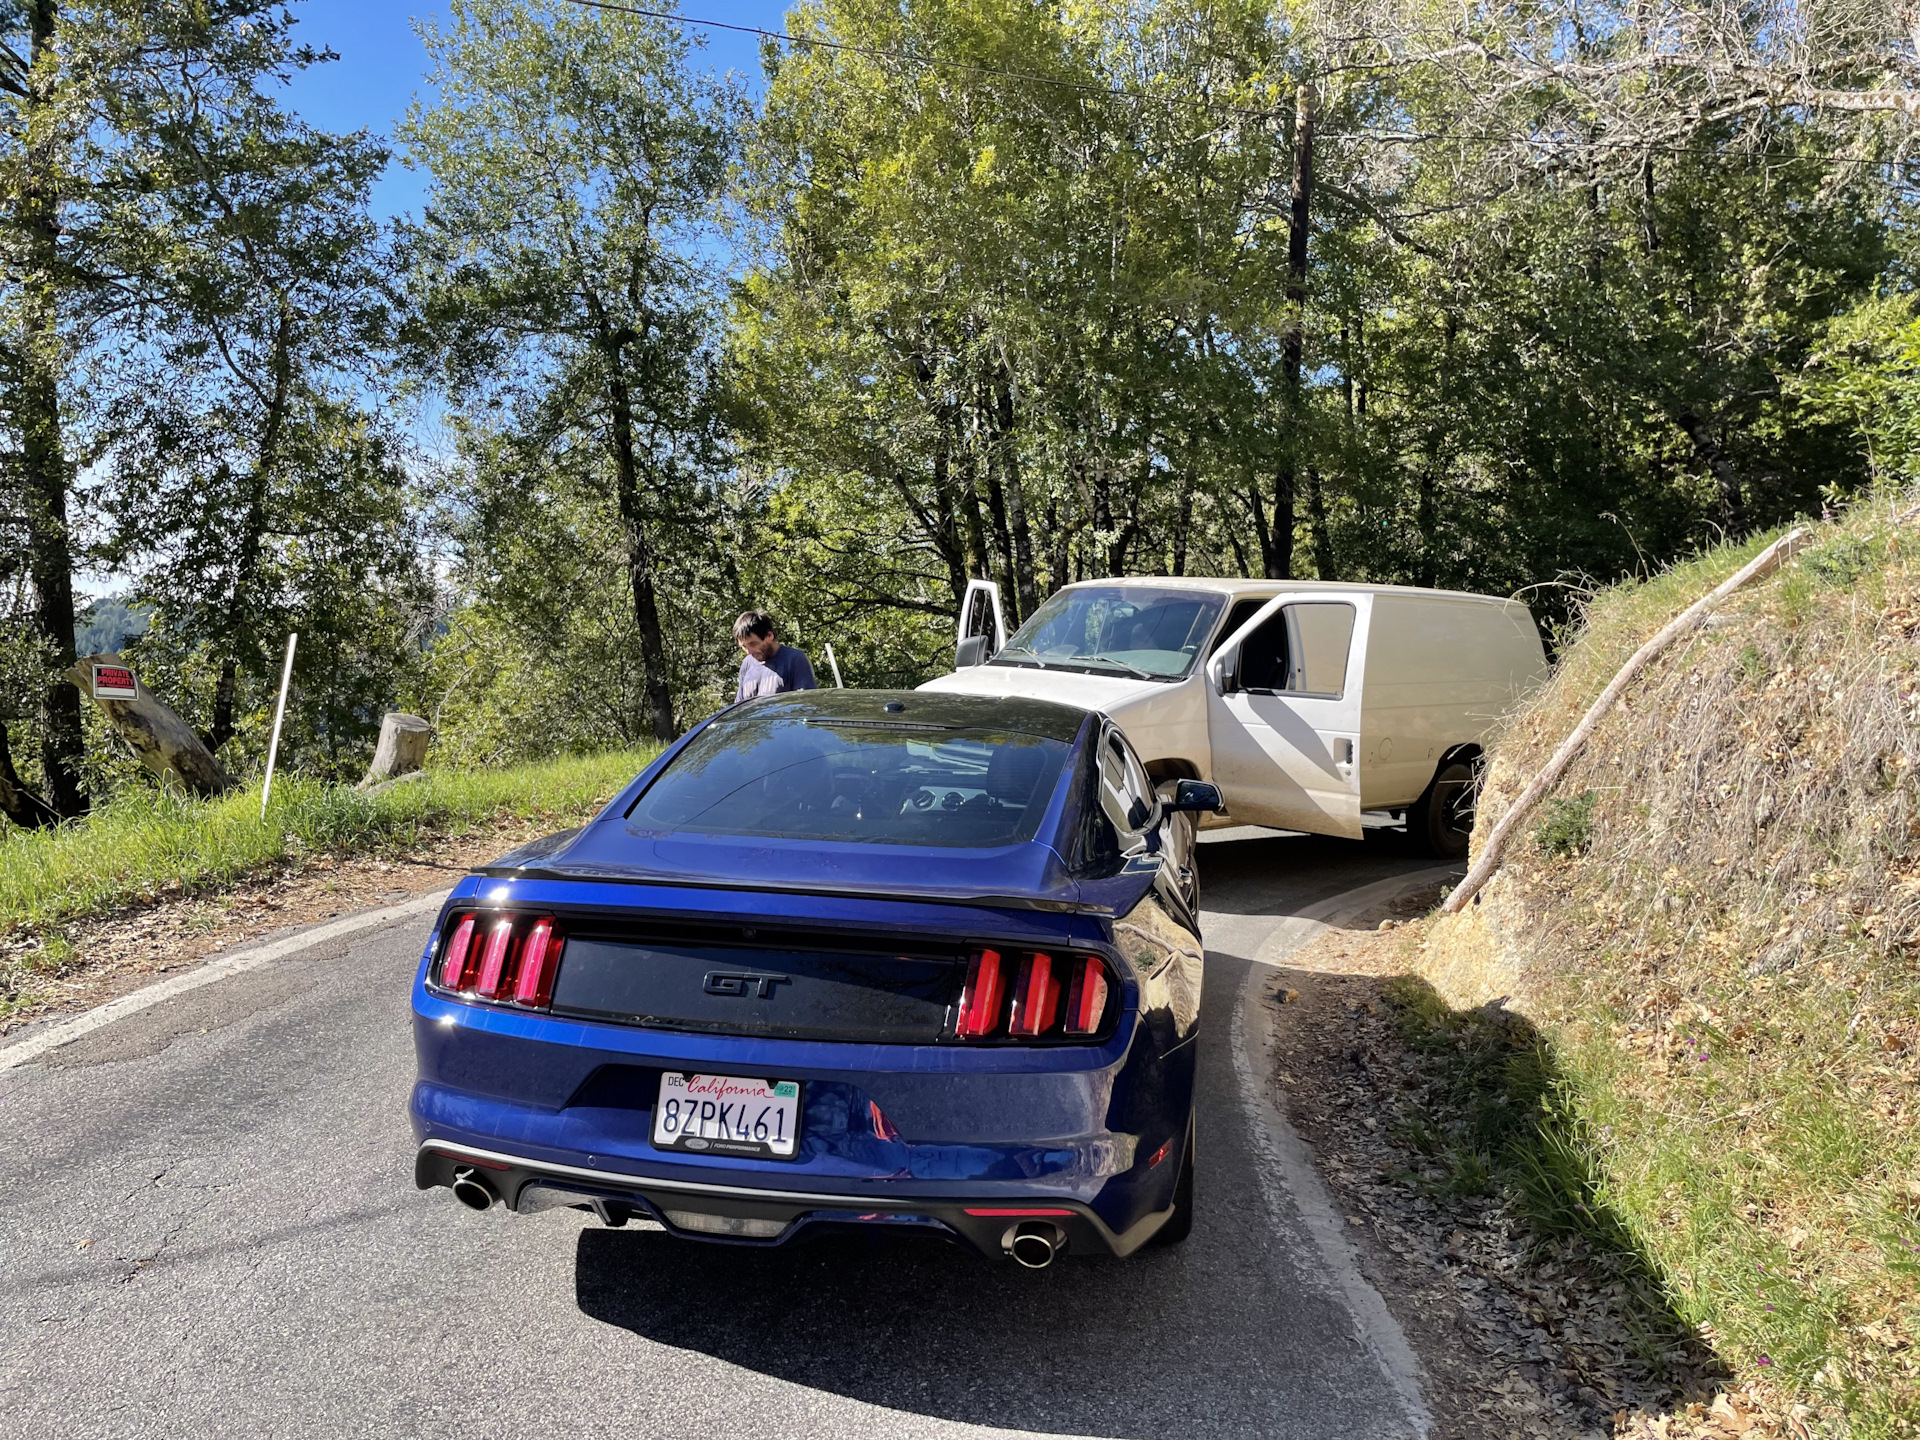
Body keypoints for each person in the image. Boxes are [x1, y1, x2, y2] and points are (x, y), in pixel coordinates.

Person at [733, 610, 818, 703]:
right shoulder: (747, 664)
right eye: (744, 646)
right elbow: (739, 707)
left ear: (769, 636)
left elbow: (806, 704)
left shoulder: (794, 660)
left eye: (753, 644)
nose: (748, 651)